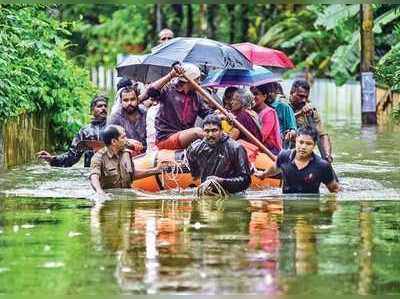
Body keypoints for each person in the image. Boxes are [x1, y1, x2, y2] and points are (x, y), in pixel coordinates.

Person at [148, 63, 213, 150]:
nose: (200, 82)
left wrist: (220, 116)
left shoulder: (196, 97)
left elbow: (208, 114)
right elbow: (151, 91)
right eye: (197, 79)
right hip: (166, 138)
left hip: (184, 138)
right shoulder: (169, 90)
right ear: (189, 80)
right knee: (197, 132)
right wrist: (171, 75)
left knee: (214, 133)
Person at [255, 127, 340, 194]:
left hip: (311, 211)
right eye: (301, 142)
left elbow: (334, 189)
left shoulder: (322, 166)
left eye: (308, 144)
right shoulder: (284, 156)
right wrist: (263, 175)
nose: (303, 147)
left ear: (314, 145)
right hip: (288, 211)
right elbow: (275, 168)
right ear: (296, 142)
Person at [89, 125, 166, 196]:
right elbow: (94, 176)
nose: (127, 140)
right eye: (123, 137)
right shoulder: (99, 157)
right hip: (110, 197)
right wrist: (99, 191)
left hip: (127, 194)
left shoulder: (126, 154)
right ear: (114, 142)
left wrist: (156, 170)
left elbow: (132, 174)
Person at [186, 114, 252, 194]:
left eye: (214, 130)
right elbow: (190, 155)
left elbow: (246, 180)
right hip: (208, 193)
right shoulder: (196, 147)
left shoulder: (236, 148)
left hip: (231, 195)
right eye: (207, 131)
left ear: (221, 131)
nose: (210, 135)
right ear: (203, 132)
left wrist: (221, 181)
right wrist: (195, 173)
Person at [37, 95, 108, 167]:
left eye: (105, 106)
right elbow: (72, 156)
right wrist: (53, 159)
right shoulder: (85, 132)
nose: (103, 108)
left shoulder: (113, 128)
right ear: (92, 110)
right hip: (91, 172)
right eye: (100, 106)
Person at [289, 79, 333, 162]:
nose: (304, 100)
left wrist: (327, 156)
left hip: (303, 151)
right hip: (286, 149)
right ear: (291, 93)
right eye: (300, 96)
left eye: (306, 97)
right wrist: (300, 113)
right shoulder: (283, 106)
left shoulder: (310, 110)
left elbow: (322, 135)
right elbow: (282, 124)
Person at [109, 85, 147, 153]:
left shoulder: (145, 114)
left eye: (132, 99)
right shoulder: (115, 117)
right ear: (121, 102)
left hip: (145, 155)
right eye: (126, 100)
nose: (129, 103)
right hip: (124, 155)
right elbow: (110, 140)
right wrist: (127, 141)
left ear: (137, 99)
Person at [250, 85, 282, 155]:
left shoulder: (269, 113)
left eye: (256, 94)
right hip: (256, 146)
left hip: (270, 151)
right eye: (251, 94)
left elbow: (261, 137)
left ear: (264, 96)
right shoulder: (250, 111)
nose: (252, 97)